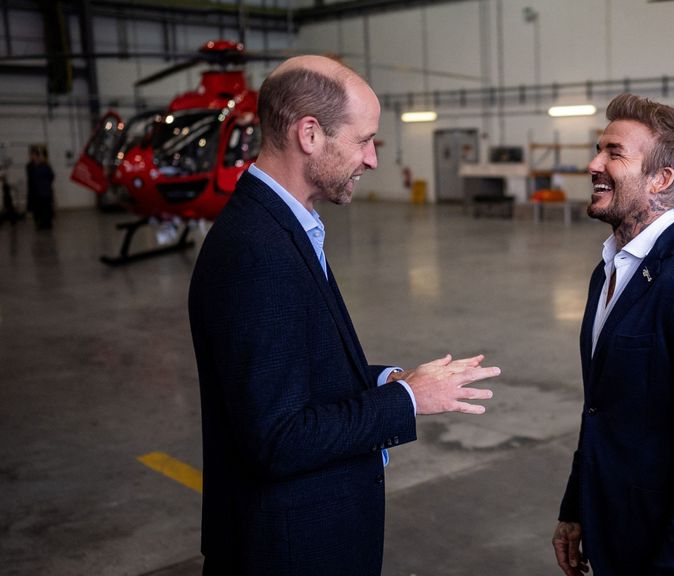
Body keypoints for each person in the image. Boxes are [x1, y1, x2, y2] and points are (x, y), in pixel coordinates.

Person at [188, 55, 500, 575]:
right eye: (363, 140)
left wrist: (389, 379)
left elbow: (297, 373)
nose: (373, 159)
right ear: (309, 134)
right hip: (287, 550)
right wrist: (406, 400)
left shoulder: (285, 226)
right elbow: (277, 438)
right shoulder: (256, 250)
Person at [552, 93, 674, 576]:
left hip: (672, 552)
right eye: (599, 148)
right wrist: (576, 507)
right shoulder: (610, 270)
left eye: (614, 153)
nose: (593, 163)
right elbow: (601, 407)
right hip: (614, 530)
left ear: (662, 180)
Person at [25, 146, 55, 230]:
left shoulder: (45, 165)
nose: (33, 157)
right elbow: (31, 179)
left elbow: (51, 176)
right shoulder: (30, 166)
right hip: (36, 192)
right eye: (31, 155)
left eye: (34, 155)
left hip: (45, 191)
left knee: (46, 207)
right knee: (38, 209)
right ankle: (40, 223)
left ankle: (47, 223)